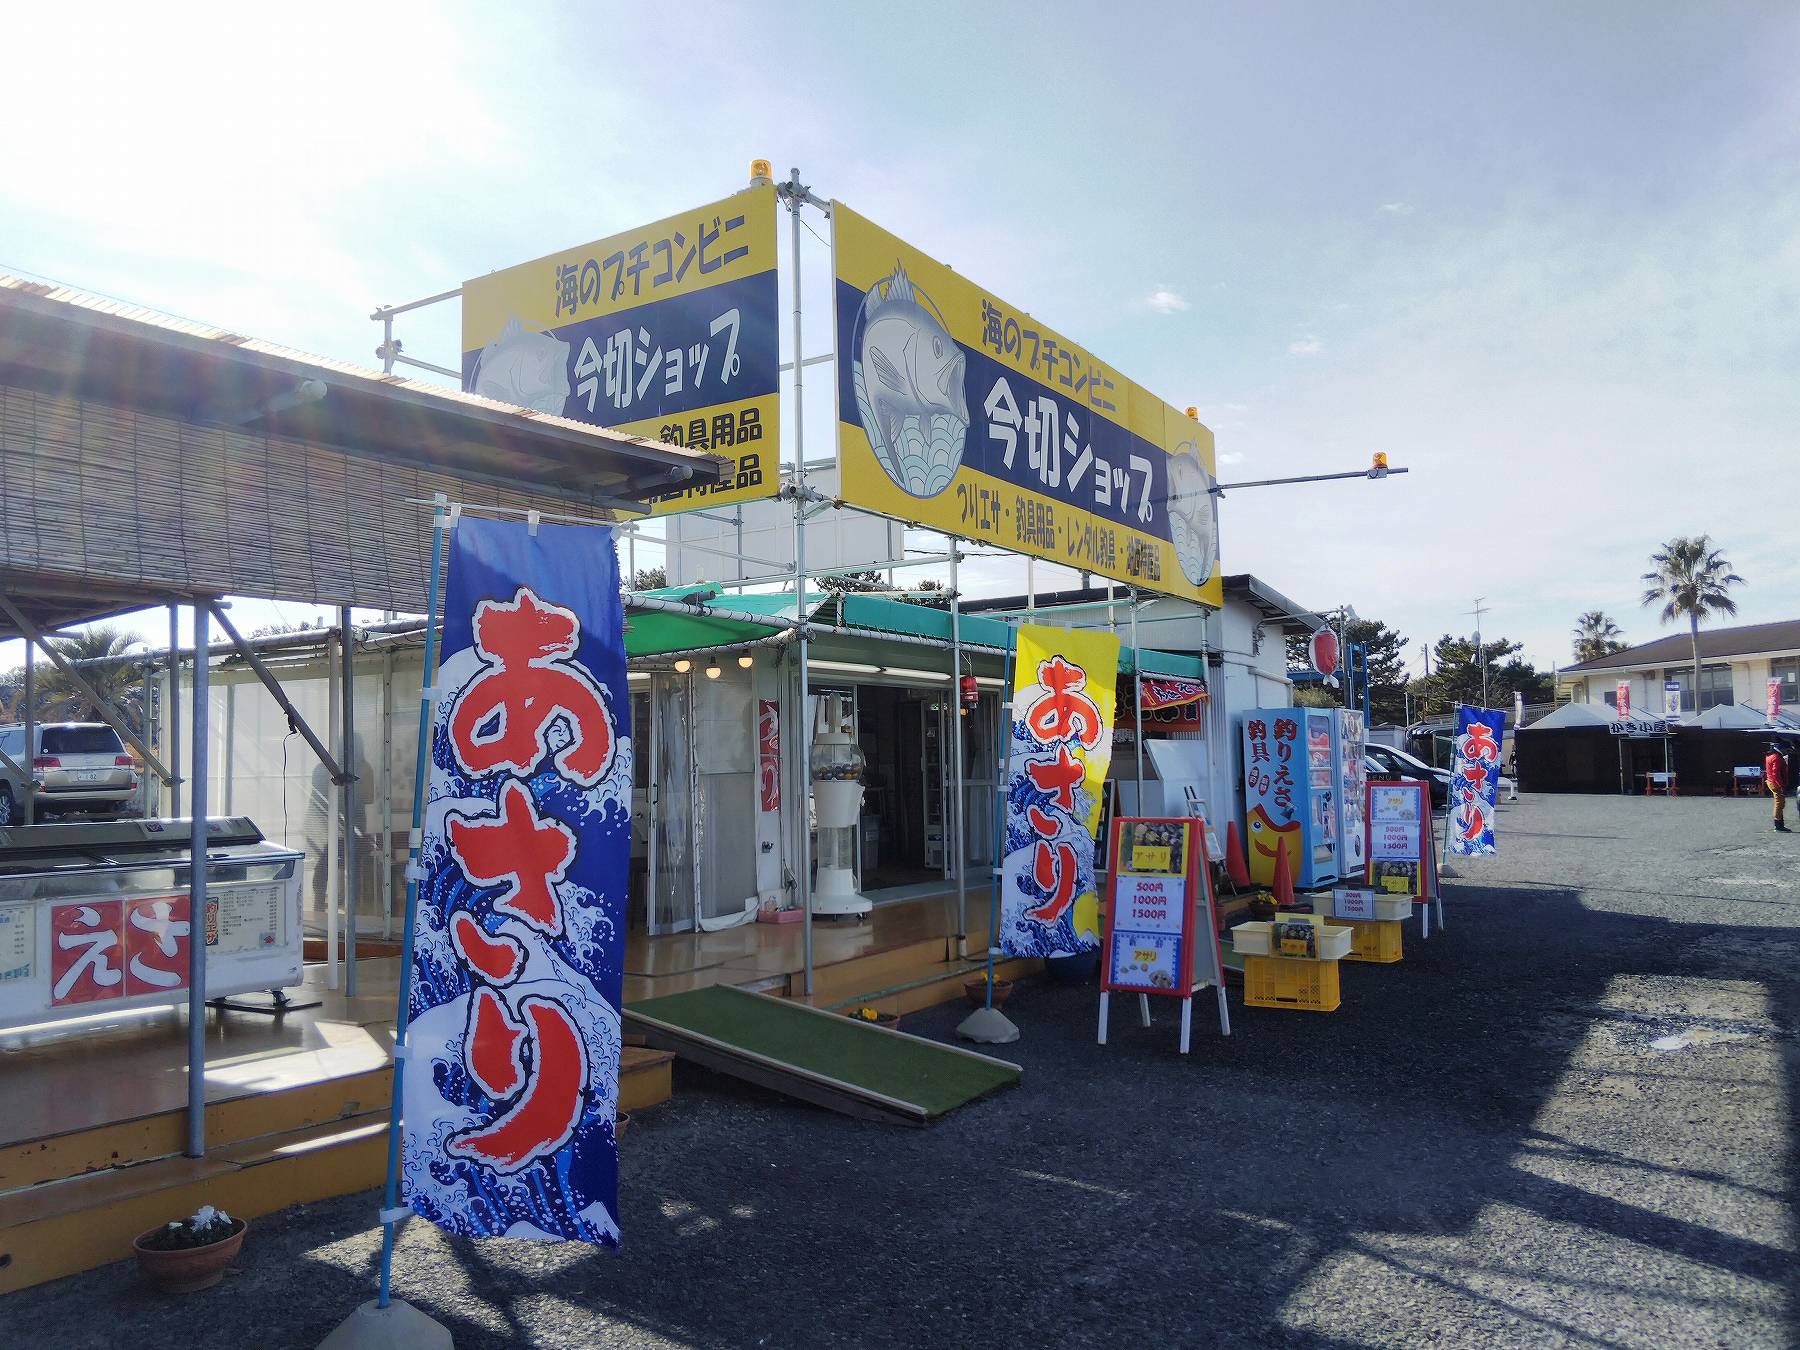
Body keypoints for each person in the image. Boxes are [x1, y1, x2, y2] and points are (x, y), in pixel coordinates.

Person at [1765, 742, 1788, 831]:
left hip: (1771, 781)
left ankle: (1779, 824)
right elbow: (1776, 774)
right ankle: (1778, 825)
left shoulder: (1770, 755)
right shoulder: (1777, 757)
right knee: (1779, 803)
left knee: (1780, 803)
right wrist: (1781, 785)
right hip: (1775, 783)